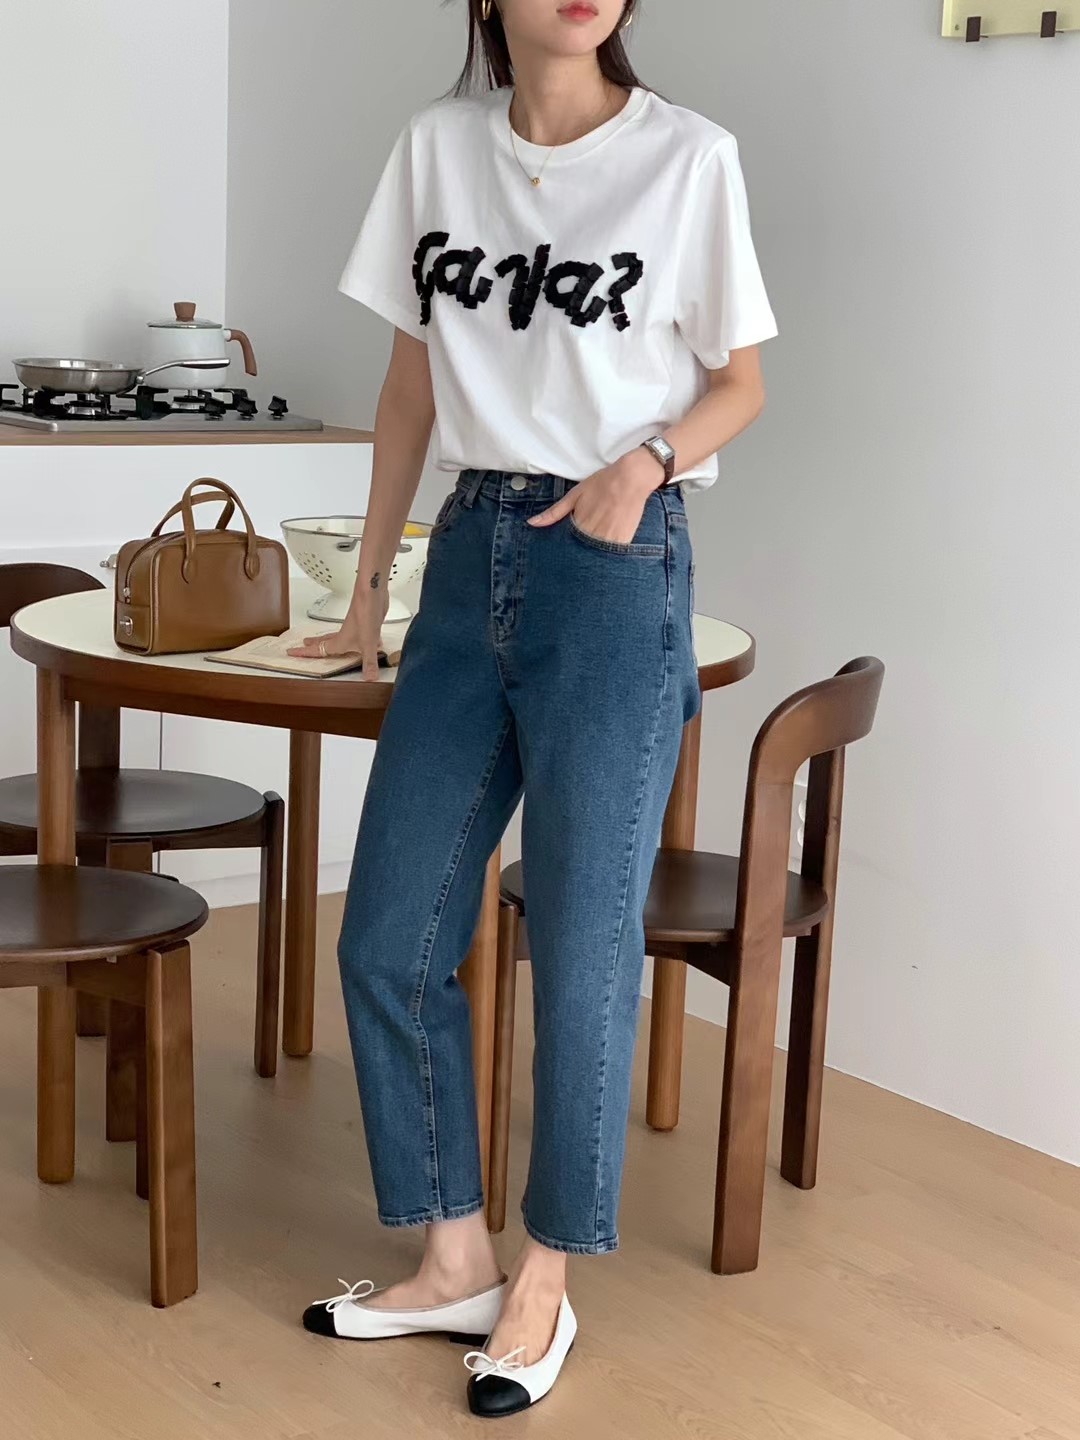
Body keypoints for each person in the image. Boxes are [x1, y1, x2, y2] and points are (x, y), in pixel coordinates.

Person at [291, 0, 776, 1418]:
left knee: (578, 944)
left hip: (617, 566)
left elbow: (743, 384)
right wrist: (369, 591)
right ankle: (455, 1258)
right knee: (389, 933)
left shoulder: (689, 158)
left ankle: (547, 1281)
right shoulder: (439, 151)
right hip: (465, 556)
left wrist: (648, 462)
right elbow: (407, 387)